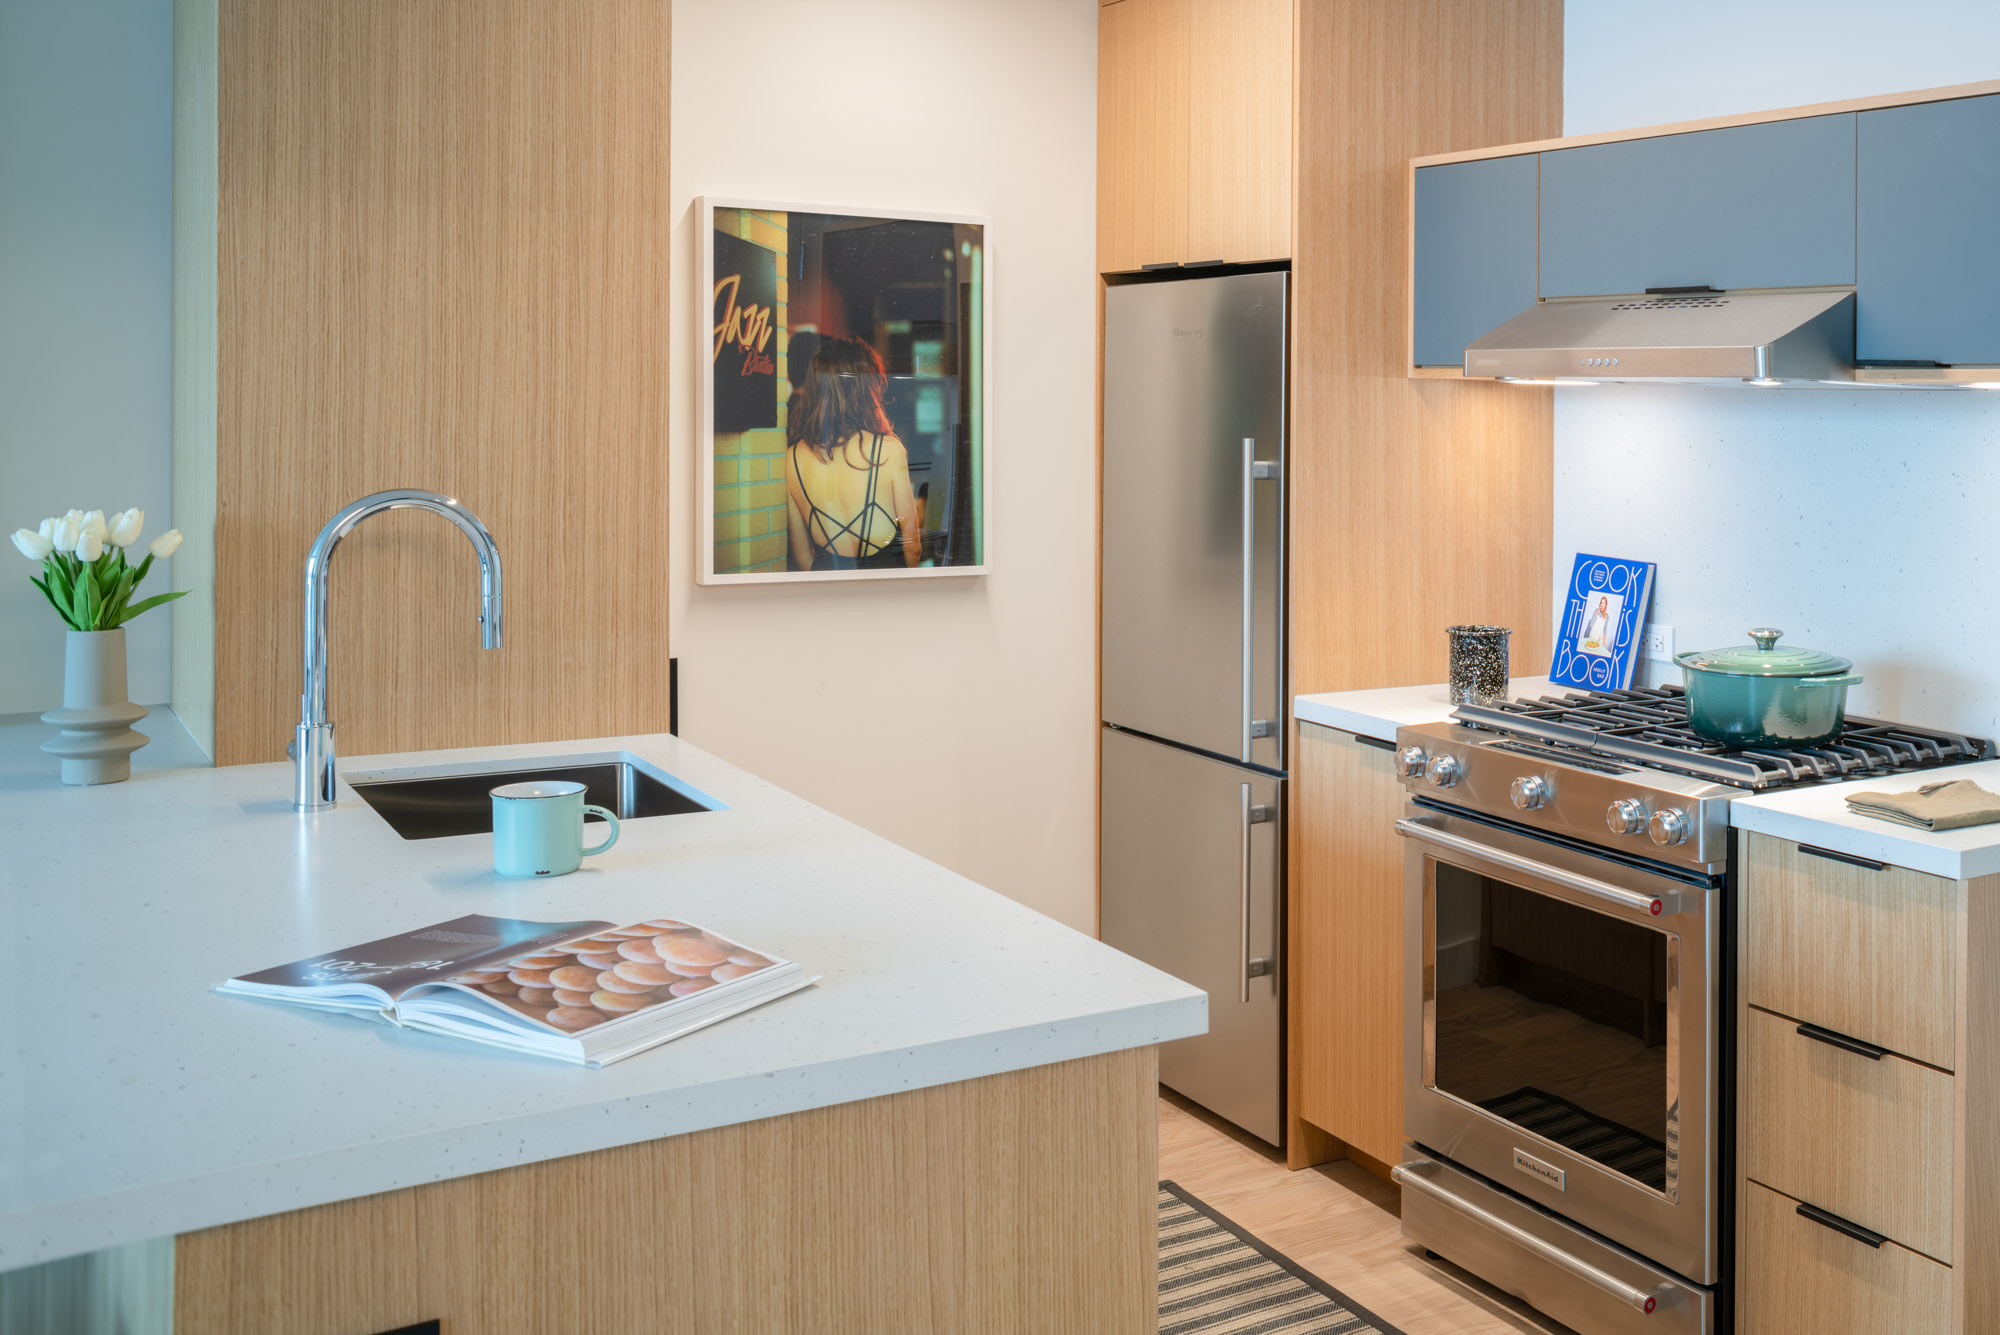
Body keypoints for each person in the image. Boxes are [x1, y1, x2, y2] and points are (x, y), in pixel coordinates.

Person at [785, 337, 922, 571]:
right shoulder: (888, 450)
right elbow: (913, 548)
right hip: (883, 594)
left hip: (827, 595)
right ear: (864, 389)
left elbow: (802, 558)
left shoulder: (792, 458)